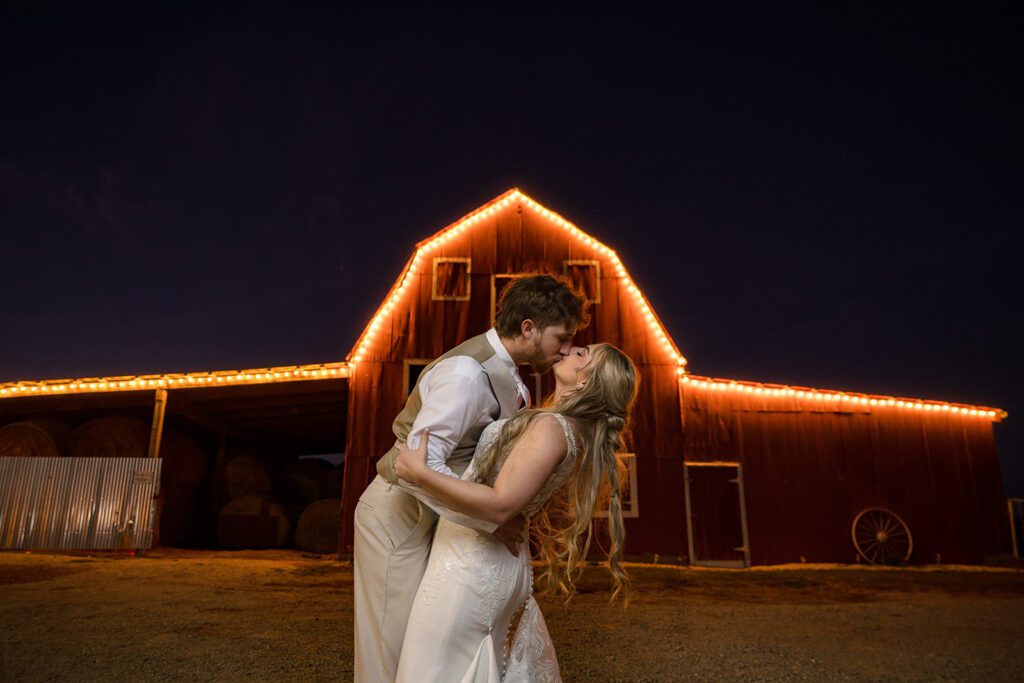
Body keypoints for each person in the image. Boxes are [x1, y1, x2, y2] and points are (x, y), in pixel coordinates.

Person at [353, 274, 589, 683]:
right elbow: (415, 468)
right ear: (528, 328)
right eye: (562, 337)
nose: (566, 348)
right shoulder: (465, 375)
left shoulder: (512, 379)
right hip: (396, 516)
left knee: (416, 647)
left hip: (436, 522)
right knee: (388, 649)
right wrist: (491, 518)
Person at [393, 342, 638, 682]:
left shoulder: (553, 428)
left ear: (586, 382)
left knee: (432, 671)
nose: (569, 349)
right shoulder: (561, 427)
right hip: (483, 558)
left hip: (473, 566)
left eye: (583, 354)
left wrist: (422, 475)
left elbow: (501, 505)